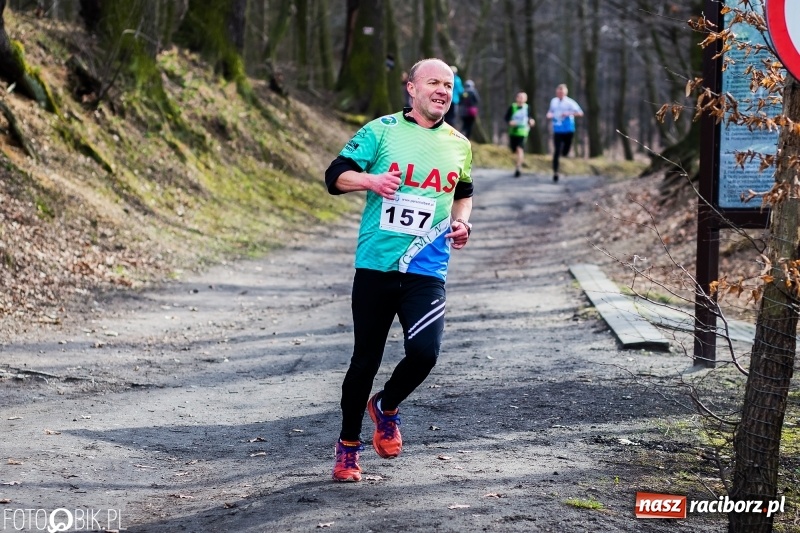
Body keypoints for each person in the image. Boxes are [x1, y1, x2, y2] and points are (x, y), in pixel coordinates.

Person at [324, 58, 474, 482]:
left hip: (428, 266)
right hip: (376, 266)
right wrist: (370, 182)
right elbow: (334, 176)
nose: (442, 90)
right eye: (433, 82)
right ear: (412, 88)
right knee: (364, 361)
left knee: (425, 353)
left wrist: (463, 222)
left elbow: (463, 191)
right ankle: (348, 448)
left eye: (448, 84)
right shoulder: (380, 131)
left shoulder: (459, 144)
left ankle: (386, 405)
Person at [546, 83, 584, 182]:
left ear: (565, 93)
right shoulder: (553, 101)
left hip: (568, 129)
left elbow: (580, 113)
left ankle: (565, 153)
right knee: (556, 151)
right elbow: (550, 111)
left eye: (562, 92)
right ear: (556, 92)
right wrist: (549, 114)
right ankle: (555, 172)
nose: (560, 94)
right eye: (558, 92)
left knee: (565, 150)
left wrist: (569, 113)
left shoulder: (570, 102)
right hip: (557, 129)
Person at [504, 92, 536, 178]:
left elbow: (530, 117)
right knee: (514, 150)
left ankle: (518, 167)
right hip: (513, 131)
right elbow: (506, 117)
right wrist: (510, 122)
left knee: (520, 149)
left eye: (523, 97)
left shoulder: (528, 107)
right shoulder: (512, 107)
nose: (521, 99)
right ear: (516, 98)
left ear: (526, 99)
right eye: (520, 97)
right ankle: (518, 162)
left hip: (523, 131)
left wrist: (531, 121)